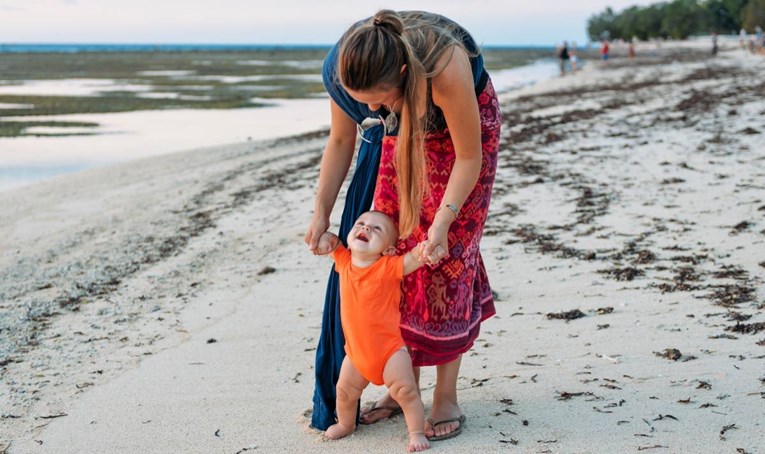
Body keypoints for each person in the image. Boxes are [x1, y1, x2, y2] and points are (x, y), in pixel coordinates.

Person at [305, 9, 501, 442]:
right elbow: (341, 139)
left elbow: (470, 157)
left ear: (400, 71)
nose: (370, 109)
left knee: (447, 260)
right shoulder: (350, 68)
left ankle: (446, 395)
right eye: (362, 100)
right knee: (396, 250)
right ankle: (401, 386)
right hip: (404, 127)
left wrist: (444, 222)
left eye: (376, 96)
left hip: (463, 142)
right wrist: (321, 209)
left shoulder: (443, 66)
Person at [315, 211, 430, 451]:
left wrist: (427, 250)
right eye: (361, 224)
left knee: (406, 391)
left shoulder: (388, 266)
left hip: (390, 351)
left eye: (376, 229)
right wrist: (324, 238)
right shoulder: (344, 261)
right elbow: (332, 242)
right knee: (345, 392)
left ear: (388, 250)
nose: (366, 229)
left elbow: (413, 259)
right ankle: (347, 424)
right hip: (357, 354)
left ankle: (417, 432)